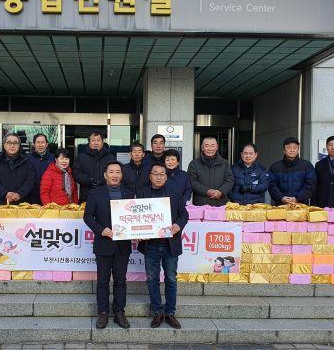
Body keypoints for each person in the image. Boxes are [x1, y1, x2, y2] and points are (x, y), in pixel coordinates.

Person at [83, 161, 134, 330]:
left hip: (122, 245)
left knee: (120, 280)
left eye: (118, 172)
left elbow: (135, 218)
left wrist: (137, 232)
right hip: (103, 243)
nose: (115, 175)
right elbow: (88, 216)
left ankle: (119, 312)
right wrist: (101, 230)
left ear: (122, 175)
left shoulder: (129, 194)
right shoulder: (95, 193)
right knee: (103, 281)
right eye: (111, 172)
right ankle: (103, 312)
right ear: (105, 175)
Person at [138, 163, 189, 330]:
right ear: (150, 176)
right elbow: (135, 217)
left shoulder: (175, 193)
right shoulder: (142, 194)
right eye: (155, 174)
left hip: (170, 244)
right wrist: (136, 231)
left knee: (171, 278)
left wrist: (178, 225)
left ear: (166, 177)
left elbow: (184, 214)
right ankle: (157, 312)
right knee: (152, 278)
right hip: (150, 244)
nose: (158, 177)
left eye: (162, 174)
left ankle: (170, 313)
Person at [0, 133, 36, 205]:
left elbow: (30, 181)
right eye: (9, 143)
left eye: (15, 143)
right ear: (4, 145)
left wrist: (20, 194)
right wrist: (5, 193)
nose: (12, 146)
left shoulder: (26, 162)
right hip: (0, 203)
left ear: (19, 145)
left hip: (22, 204)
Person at [269, 137, 316, 205]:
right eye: (288, 148)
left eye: (295, 148)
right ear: (284, 150)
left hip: (301, 205)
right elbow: (271, 185)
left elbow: (310, 185)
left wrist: (298, 198)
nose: (292, 150)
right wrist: (281, 198)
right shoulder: (275, 167)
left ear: (298, 149)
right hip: (281, 206)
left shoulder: (307, 166)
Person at [187, 137, 234, 206]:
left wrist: (221, 192)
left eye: (212, 146)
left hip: (220, 204)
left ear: (217, 147)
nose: (210, 149)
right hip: (201, 204)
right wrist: (207, 191)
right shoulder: (194, 164)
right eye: (206, 146)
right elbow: (192, 182)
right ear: (202, 148)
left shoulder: (224, 163)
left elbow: (229, 180)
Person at [73, 131, 115, 203]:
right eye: (93, 140)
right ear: (89, 142)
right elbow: (76, 174)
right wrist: (90, 180)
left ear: (102, 142)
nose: (96, 143)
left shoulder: (110, 157)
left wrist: (102, 181)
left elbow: (114, 173)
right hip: (87, 195)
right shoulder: (81, 157)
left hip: (106, 194)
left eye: (98, 140)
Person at [25, 133, 55, 204]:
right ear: (34, 144)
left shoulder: (53, 158)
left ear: (46, 144)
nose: (40, 145)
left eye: (42, 142)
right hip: (31, 194)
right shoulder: (27, 158)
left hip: (48, 194)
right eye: (38, 142)